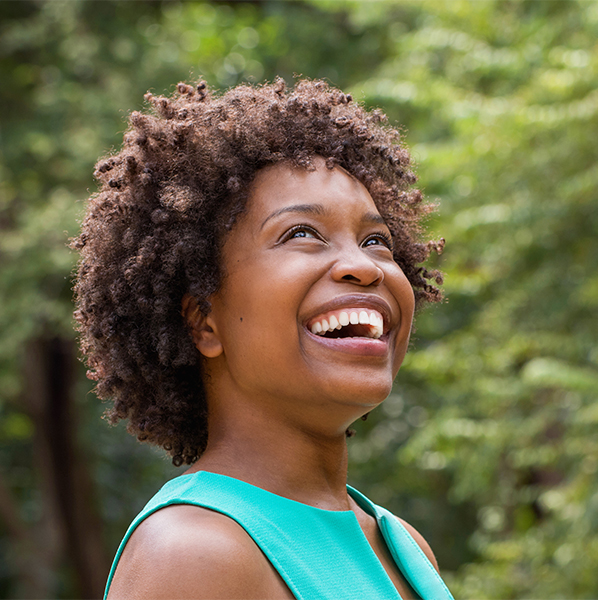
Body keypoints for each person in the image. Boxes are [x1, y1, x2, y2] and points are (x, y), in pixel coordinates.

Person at [72, 78, 452, 600]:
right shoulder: (193, 554)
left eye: (376, 241)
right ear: (205, 322)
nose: (363, 267)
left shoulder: (401, 546)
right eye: (302, 233)